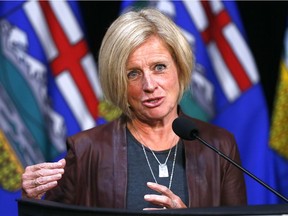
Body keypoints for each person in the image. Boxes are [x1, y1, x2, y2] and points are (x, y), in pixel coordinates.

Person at [21, 8, 247, 210]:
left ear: (179, 69)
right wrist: (31, 199)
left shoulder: (219, 146)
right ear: (118, 82)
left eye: (159, 67)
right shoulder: (86, 151)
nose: (149, 86)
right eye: (133, 73)